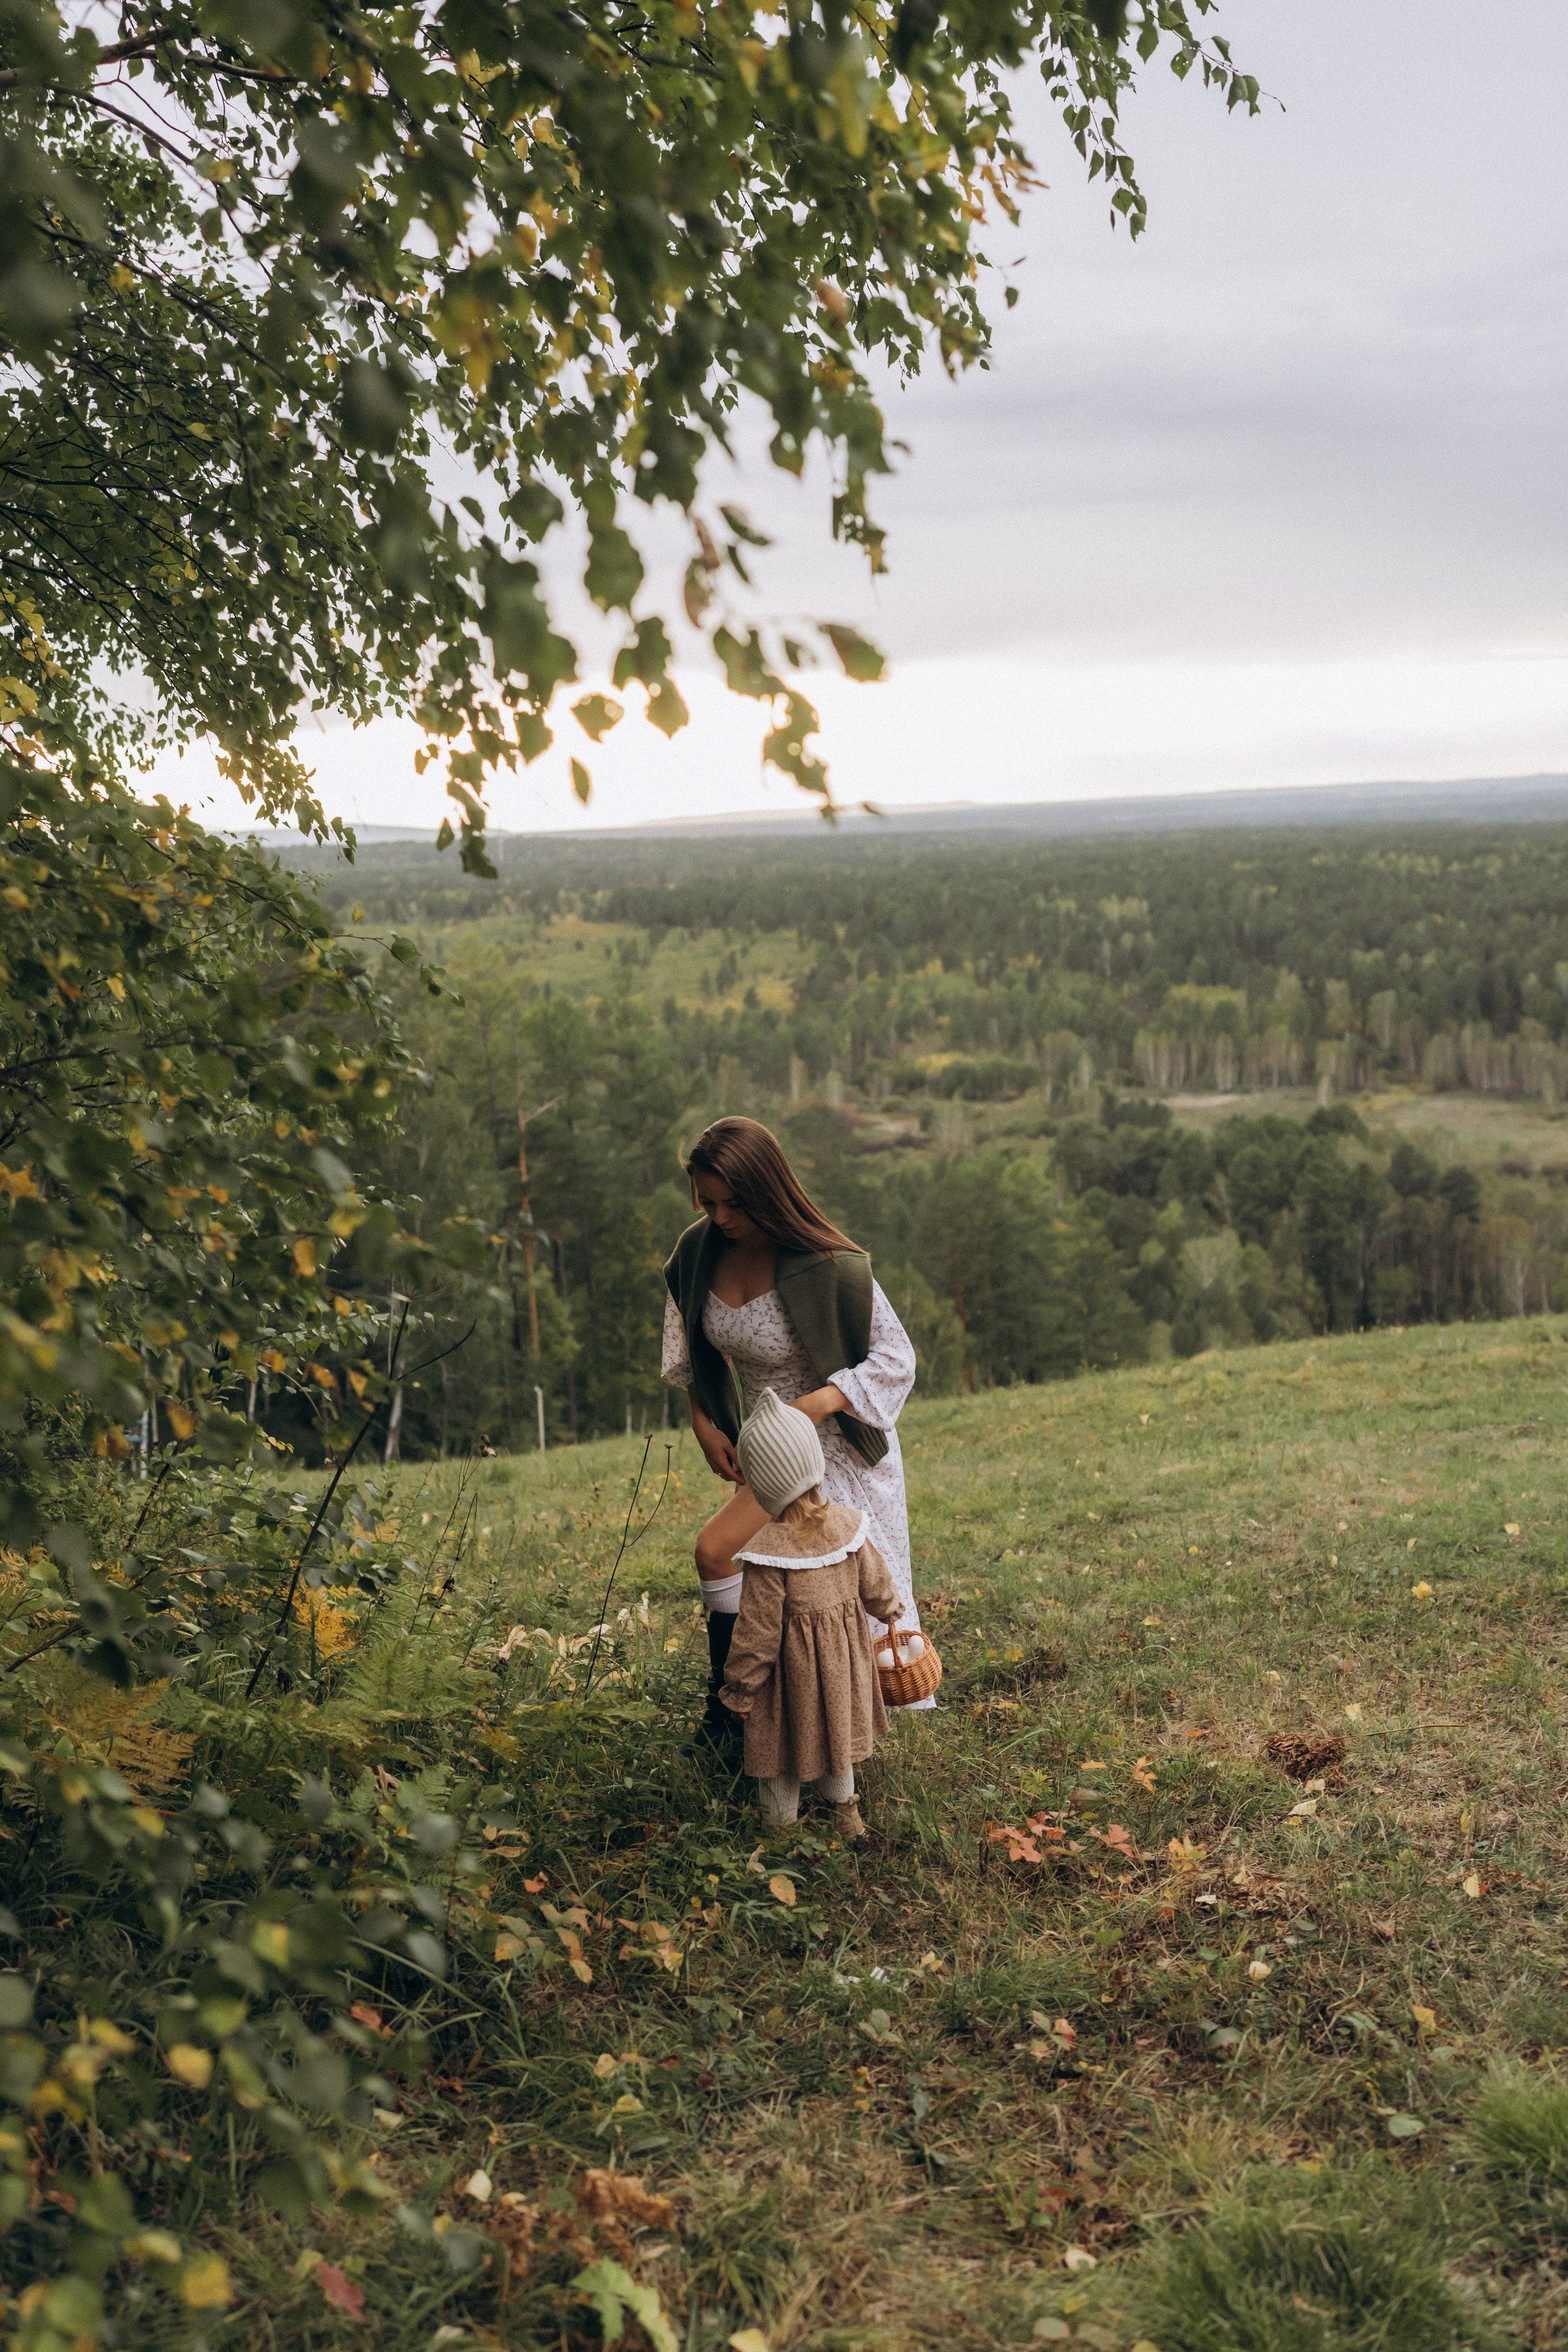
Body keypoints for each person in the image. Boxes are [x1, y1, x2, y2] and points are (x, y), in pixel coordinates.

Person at [660, 1114, 930, 1759]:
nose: (721, 1217)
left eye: (734, 1203)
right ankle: (743, 1718)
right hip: (772, 1449)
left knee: (793, 1581)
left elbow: (897, 1360)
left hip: (836, 1445)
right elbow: (688, 1345)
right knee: (750, 1574)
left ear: (767, 1190)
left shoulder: (827, 1265)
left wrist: (819, 1403)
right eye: (708, 1202)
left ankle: (769, 1726)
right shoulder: (696, 1256)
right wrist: (703, 1419)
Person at [718, 1390, 903, 1838]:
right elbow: (877, 1583)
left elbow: (757, 1633)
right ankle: (845, 1813)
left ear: (762, 1486)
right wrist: (891, 1611)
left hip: (790, 1678)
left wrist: (741, 1688)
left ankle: (780, 1825)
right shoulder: (848, 1527)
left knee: (778, 1742)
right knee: (836, 1731)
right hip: (844, 1668)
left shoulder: (768, 1555)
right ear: (814, 1465)